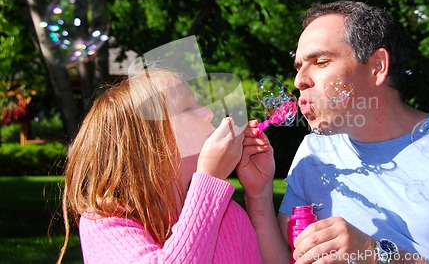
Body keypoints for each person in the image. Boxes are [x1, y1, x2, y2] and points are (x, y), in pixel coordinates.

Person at [244, 0, 429, 264]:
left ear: (377, 66)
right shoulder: (316, 152)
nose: (299, 81)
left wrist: (374, 252)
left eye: (320, 61)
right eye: (298, 67)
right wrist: (258, 193)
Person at [56, 69, 269, 263]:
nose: (209, 113)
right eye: (187, 107)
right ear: (146, 144)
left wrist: (259, 191)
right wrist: (209, 181)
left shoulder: (229, 216)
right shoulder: (105, 222)